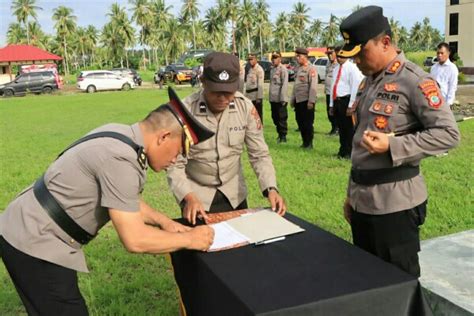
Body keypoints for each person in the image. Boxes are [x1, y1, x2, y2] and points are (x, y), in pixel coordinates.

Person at [0, 87, 215, 315]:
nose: (176, 160)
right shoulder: (121, 160)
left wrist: (164, 221)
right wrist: (191, 240)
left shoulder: (121, 134)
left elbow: (120, 197)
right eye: (180, 150)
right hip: (34, 239)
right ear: (163, 137)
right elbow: (135, 240)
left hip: (30, 226)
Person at [339, 6, 460, 277]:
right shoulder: (368, 82)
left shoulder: (414, 81)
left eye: (361, 52)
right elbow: (361, 143)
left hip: (395, 205)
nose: (356, 60)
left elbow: (448, 134)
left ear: (384, 42)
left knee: (398, 285)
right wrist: (351, 194)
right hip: (363, 200)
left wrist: (393, 146)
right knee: (367, 280)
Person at [166, 52, 287, 225]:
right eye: (216, 92)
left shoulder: (244, 107)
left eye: (229, 92)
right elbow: (174, 164)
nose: (222, 98)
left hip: (234, 194)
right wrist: (187, 197)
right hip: (197, 197)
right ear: (203, 82)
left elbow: (259, 154)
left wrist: (271, 189)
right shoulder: (185, 111)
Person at [329, 47, 364, 159]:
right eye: (338, 55)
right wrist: (331, 104)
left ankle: (349, 152)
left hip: (346, 100)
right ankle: (342, 150)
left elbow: (355, 87)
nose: (339, 58)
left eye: (341, 56)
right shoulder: (335, 69)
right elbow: (333, 87)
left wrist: (351, 106)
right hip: (337, 101)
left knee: (348, 128)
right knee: (341, 127)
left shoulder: (352, 68)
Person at [291, 47, 318, 149]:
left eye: (299, 56)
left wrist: (311, 101)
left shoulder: (311, 69)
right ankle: (304, 142)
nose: (297, 58)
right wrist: (292, 99)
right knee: (300, 121)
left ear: (305, 57)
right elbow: (296, 85)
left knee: (307, 123)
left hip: (306, 100)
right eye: (296, 56)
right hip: (298, 100)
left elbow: (313, 86)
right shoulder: (298, 69)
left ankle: (309, 143)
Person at [269, 51, 289, 143]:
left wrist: (283, 98)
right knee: (275, 117)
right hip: (273, 98)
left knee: (282, 118)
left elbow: (284, 85)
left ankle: (283, 136)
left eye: (275, 58)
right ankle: (279, 134)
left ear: (280, 59)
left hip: (280, 99)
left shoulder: (283, 69)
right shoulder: (272, 69)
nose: (273, 60)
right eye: (272, 58)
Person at [430, 42, 459, 107]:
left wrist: (448, 104)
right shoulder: (433, 68)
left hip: (445, 103)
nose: (439, 55)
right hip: (434, 101)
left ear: (448, 53)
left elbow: (452, 87)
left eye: (442, 53)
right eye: (438, 53)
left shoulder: (452, 68)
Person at [245, 53, 265, 122]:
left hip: (255, 97)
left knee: (258, 116)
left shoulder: (259, 70)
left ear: (256, 59)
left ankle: (260, 131)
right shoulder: (250, 69)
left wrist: (259, 98)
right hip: (249, 96)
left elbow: (260, 85)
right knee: (250, 116)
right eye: (249, 59)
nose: (250, 61)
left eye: (252, 59)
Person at [324, 47, 339, 135]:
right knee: (328, 110)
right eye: (328, 54)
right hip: (328, 91)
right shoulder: (328, 64)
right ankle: (333, 127)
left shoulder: (338, 65)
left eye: (331, 53)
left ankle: (337, 128)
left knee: (335, 111)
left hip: (335, 93)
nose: (329, 56)